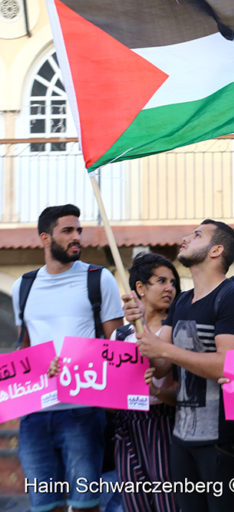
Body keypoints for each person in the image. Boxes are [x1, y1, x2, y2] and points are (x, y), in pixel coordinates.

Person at [123, 220, 234, 512]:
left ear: (216, 250)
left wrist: (165, 348)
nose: (184, 239)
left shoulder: (233, 296)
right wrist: (138, 327)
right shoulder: (182, 302)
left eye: (197, 235)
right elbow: (162, 364)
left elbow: (228, 366)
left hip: (227, 444)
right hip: (183, 440)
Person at [12, 204, 123, 512]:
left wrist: (79, 363)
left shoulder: (99, 279)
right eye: (68, 231)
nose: (77, 237)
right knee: (44, 505)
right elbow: (25, 347)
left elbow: (116, 347)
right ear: (45, 238)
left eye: (79, 230)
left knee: (86, 504)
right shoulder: (22, 285)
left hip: (83, 412)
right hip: (33, 414)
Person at [111, 253, 181, 512]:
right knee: (134, 500)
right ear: (140, 288)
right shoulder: (120, 334)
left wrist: (157, 392)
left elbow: (164, 368)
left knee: (167, 499)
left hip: (161, 422)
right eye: (161, 281)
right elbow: (107, 382)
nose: (169, 288)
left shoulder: (172, 329)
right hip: (126, 423)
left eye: (173, 283)